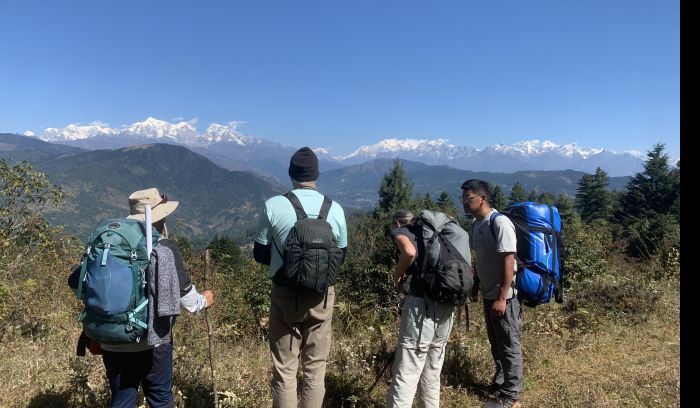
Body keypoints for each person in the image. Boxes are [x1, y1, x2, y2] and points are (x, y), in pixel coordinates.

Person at [69, 187, 214, 408]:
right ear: (159, 217)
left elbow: (75, 282)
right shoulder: (163, 246)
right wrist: (205, 299)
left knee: (122, 400)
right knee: (160, 398)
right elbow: (189, 301)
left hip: (112, 340)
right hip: (152, 342)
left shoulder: (109, 244)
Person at [253, 147, 348, 408]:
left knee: (285, 370)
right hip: (322, 296)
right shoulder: (335, 209)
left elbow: (259, 254)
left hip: (285, 294)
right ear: (316, 174)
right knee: (315, 370)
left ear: (291, 174)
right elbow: (341, 256)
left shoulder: (273, 205)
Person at [385, 209, 457, 408]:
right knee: (432, 372)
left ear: (398, 224)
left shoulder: (402, 232)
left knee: (407, 371)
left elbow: (408, 252)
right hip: (446, 304)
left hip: (420, 306)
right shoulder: (441, 234)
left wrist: (396, 276)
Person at [461, 179, 522, 408]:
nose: (465, 203)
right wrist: (476, 283)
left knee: (509, 344)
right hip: (488, 294)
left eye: (469, 199)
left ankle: (512, 395)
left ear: (482, 198)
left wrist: (502, 297)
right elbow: (481, 258)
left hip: (503, 297)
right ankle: (501, 382)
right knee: (496, 343)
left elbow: (509, 260)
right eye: (463, 199)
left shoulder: (500, 223)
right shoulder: (477, 224)